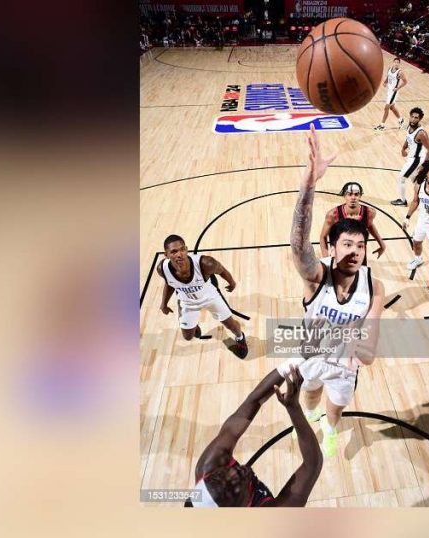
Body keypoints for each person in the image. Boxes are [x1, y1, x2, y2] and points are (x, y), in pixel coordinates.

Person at [288, 125, 386, 457]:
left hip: (346, 366)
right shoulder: (317, 276)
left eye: (360, 245)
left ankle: (329, 429)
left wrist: (363, 346)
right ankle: (312, 415)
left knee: (336, 408)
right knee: (311, 395)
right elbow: (299, 247)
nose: (355, 250)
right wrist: (308, 184)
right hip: (312, 354)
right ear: (332, 247)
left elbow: (369, 352)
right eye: (347, 243)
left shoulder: (375, 286)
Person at [189, 369, 322, 507]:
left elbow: (253, 401)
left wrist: (293, 362)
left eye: (222, 475)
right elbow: (312, 465)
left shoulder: (208, 465)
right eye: (232, 487)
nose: (234, 472)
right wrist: (294, 408)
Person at [157, 235, 248, 359]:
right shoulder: (162, 269)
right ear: (166, 254)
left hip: (210, 297)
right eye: (174, 251)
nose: (180, 254)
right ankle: (193, 323)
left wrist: (232, 283)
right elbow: (170, 283)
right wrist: (164, 304)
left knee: (231, 325)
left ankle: (240, 337)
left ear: (187, 249)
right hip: (187, 301)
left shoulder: (206, 263)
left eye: (182, 249)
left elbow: (222, 271)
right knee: (188, 337)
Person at [318, 181, 387, 260]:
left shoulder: (369, 213)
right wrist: (326, 259)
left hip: (359, 254)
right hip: (339, 255)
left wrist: (382, 244)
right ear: (344, 196)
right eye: (350, 194)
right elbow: (323, 237)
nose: (353, 197)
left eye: (356, 194)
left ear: (360, 196)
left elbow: (370, 225)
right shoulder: (333, 214)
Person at [391, 107, 429, 206]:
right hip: (411, 158)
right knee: (415, 180)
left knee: (401, 178)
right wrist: (403, 149)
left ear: (420, 119)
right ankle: (426, 199)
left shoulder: (421, 133)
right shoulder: (409, 127)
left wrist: (424, 165)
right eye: (412, 117)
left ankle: (402, 201)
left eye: (416, 118)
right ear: (409, 116)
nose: (413, 119)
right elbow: (408, 138)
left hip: (417, 160)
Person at [374, 57, 407, 131]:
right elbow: (388, 77)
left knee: (386, 108)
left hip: (394, 92)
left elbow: (405, 82)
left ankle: (382, 125)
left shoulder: (400, 72)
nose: (396, 63)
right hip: (389, 91)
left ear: (399, 64)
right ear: (393, 62)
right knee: (392, 108)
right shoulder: (389, 69)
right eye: (395, 62)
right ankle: (401, 120)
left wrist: (397, 88)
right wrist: (385, 82)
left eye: (398, 62)